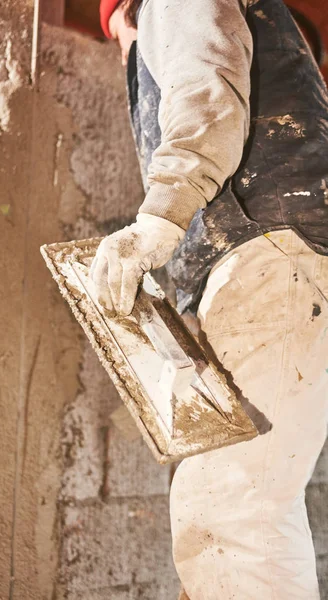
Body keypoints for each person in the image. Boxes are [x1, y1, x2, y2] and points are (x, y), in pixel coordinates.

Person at [92, 0, 328, 598]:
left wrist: (159, 220)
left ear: (123, 16)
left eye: (121, 39)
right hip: (285, 258)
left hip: (272, 252)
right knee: (237, 502)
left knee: (233, 509)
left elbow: (206, 94)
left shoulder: (167, 5)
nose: (128, 55)